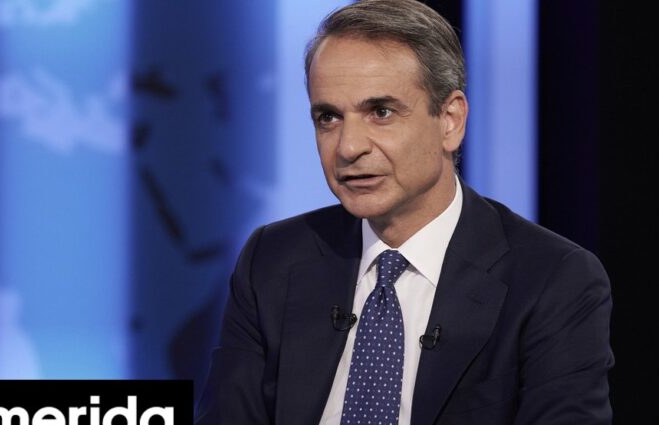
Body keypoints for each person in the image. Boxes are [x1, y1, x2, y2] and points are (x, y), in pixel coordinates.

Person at [196, 1, 613, 424]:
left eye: (381, 112)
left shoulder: (552, 280)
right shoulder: (273, 259)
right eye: (329, 117)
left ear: (450, 120)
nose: (348, 147)